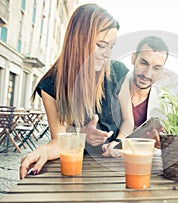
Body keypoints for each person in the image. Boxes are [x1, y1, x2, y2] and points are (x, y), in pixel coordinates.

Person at [19, 3, 133, 179]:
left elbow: (128, 121)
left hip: (112, 166)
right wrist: (79, 137)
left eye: (111, 46)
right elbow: (59, 140)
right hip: (75, 169)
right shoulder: (51, 84)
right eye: (101, 45)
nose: (107, 54)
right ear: (79, 40)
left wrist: (118, 142)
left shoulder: (118, 72)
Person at [102, 36, 169, 156]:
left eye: (156, 68)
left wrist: (162, 144)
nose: (147, 74)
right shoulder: (111, 84)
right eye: (144, 63)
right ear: (133, 59)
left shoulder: (163, 105)